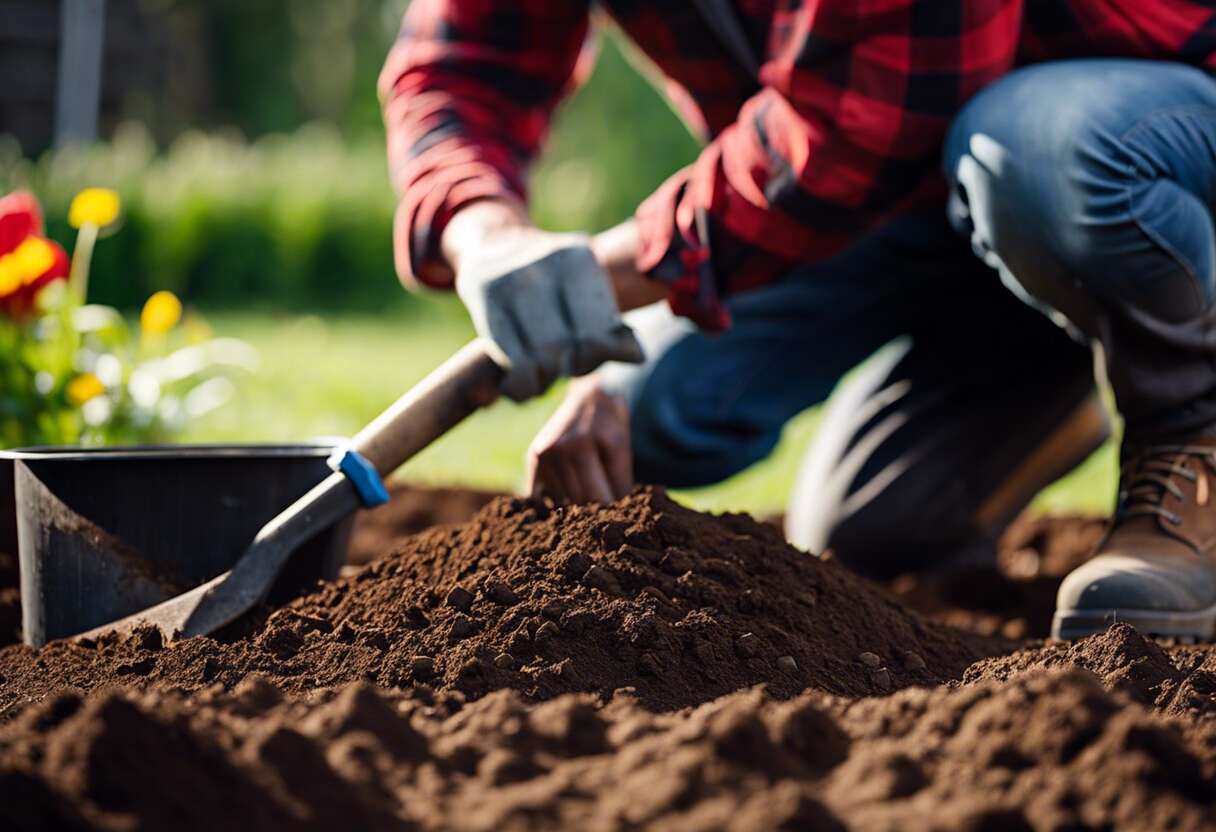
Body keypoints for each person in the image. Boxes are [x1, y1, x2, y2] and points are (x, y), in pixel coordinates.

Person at [380, 1, 1216, 642]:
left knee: (1040, 146)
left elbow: (871, 113)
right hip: (910, 197)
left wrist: (600, 279)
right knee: (662, 419)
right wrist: (484, 232)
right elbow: (461, 65)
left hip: (1142, 128)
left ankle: (1194, 443)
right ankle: (1054, 366)